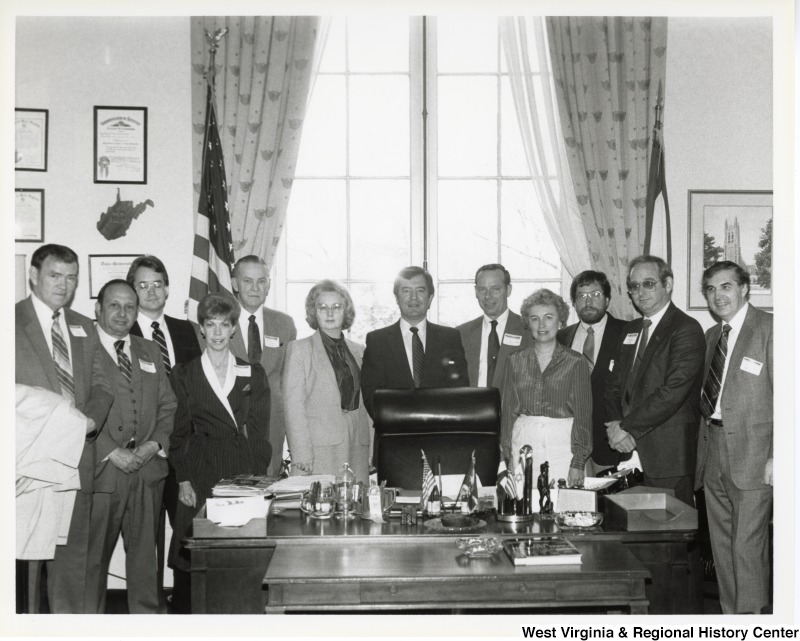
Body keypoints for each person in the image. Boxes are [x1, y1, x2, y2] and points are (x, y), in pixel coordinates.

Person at [15, 244, 113, 613]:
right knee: (26, 563)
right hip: (30, 465)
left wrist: (89, 421)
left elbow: (103, 384)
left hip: (77, 457)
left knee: (72, 561)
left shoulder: (83, 325)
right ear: (35, 276)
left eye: (71, 278)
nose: (64, 285)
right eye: (55, 276)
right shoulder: (12, 322)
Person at [169, 293, 272, 582]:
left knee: (239, 546)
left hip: (241, 466)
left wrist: (258, 475)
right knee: (200, 547)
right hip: (201, 463)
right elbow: (178, 431)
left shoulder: (253, 372)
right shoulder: (185, 373)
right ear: (201, 328)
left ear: (233, 328)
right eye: (210, 325)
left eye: (224, 325)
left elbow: (260, 430)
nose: (217, 332)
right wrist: (183, 477)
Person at [89, 279, 177, 614]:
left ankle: (146, 626)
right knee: (93, 561)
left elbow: (167, 405)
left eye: (130, 306)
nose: (123, 313)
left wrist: (155, 445)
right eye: (114, 305)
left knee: (144, 565)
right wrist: (112, 450)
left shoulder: (149, 350)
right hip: (103, 473)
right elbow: (75, 407)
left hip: (146, 471)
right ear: (98, 309)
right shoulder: (83, 350)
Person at [694, 261, 773, 614]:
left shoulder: (771, 329)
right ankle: (730, 620)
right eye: (710, 289)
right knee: (722, 545)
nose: (717, 295)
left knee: (747, 545)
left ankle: (752, 623)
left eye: (725, 286)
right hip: (713, 448)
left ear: (744, 288)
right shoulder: (713, 335)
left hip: (756, 455)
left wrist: (780, 456)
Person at [126, 254, 202, 604]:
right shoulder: (124, 332)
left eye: (158, 284)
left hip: (185, 448)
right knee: (147, 538)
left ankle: (185, 604)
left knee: (189, 530)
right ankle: (151, 609)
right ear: (132, 290)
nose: (152, 291)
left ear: (168, 288)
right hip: (146, 449)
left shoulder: (185, 329)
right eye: (143, 285)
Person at [604, 255, 705, 505]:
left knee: (669, 537)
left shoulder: (686, 329)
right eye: (634, 286)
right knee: (634, 537)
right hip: (627, 450)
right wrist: (617, 425)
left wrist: (625, 427)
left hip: (667, 456)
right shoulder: (630, 329)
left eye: (648, 283)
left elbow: (672, 393)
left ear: (667, 284)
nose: (640, 292)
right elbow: (614, 386)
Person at [499, 289, 592, 490]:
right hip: (524, 444)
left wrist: (578, 462)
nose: (542, 325)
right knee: (525, 507)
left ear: (560, 322)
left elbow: (583, 417)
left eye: (548, 318)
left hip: (562, 447)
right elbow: (508, 412)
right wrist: (507, 458)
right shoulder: (514, 361)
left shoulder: (576, 362)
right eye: (535, 319)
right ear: (528, 323)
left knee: (560, 509)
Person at [283, 280, 371, 484]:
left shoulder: (361, 351)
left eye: (336, 307)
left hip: (356, 446)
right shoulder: (299, 350)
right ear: (314, 312)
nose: (329, 313)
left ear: (346, 311)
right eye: (322, 307)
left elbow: (368, 405)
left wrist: (371, 449)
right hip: (318, 450)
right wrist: (301, 453)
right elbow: (293, 406)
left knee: (355, 509)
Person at [361, 266, 469, 419]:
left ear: (430, 298)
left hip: (440, 435)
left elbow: (459, 391)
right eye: (406, 291)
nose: (413, 297)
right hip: (394, 435)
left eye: (420, 291)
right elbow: (372, 397)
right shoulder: (377, 341)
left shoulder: (450, 338)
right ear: (397, 298)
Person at [229, 255, 296, 476]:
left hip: (272, 427)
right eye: (247, 280)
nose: (255, 287)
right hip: (230, 426)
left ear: (268, 284)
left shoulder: (284, 324)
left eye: (261, 280)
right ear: (235, 284)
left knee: (266, 496)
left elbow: (289, 382)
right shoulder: (218, 321)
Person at [556, 270, 628, 475]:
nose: (588, 302)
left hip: (610, 442)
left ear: (607, 300)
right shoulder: (561, 338)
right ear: (574, 302)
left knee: (609, 504)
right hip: (568, 443)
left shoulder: (627, 333)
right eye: (582, 296)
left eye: (595, 295)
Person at [457, 263, 531, 389]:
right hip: (472, 406)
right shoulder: (460, 334)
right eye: (482, 289)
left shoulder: (528, 330)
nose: (487, 296)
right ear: (476, 292)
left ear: (508, 290)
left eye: (495, 289)